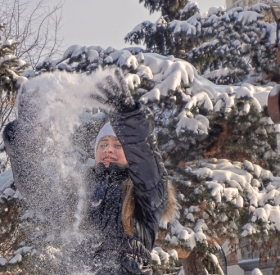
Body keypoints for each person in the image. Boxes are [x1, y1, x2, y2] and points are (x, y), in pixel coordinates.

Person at [3, 69, 177, 275]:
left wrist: (129, 115)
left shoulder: (147, 195)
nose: (108, 149)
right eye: (102, 144)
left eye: (117, 145)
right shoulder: (78, 193)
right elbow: (34, 187)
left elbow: (147, 163)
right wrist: (23, 134)